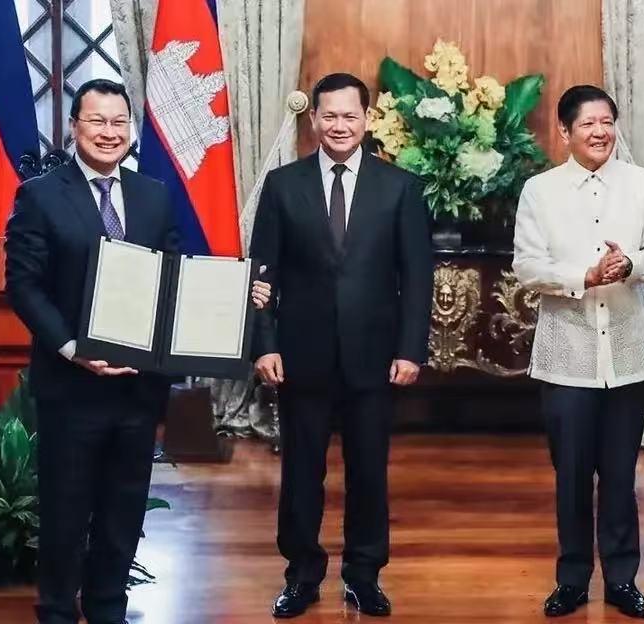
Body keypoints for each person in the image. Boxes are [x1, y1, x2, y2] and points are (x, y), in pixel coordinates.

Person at [250, 72, 433, 618]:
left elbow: (417, 278)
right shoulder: (283, 186)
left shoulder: (400, 187)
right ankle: (302, 576)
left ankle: (364, 575)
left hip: (374, 358)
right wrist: (264, 345)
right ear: (313, 120)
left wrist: (410, 349)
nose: (339, 125)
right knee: (301, 474)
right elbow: (261, 274)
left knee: (369, 472)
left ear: (367, 119)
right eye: (328, 115)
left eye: (350, 115)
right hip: (299, 356)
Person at [5, 79, 176, 624]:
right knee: (65, 510)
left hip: (138, 386)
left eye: (119, 121)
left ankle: (107, 608)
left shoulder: (153, 195)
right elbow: (24, 285)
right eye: (97, 120)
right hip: (71, 385)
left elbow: (171, 279)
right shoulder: (40, 195)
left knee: (123, 510)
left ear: (131, 129)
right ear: (74, 126)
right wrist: (72, 347)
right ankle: (57, 610)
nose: (109, 132)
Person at [512, 85, 644, 619]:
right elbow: (527, 266)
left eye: (607, 122)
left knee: (621, 474)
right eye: (588, 124)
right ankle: (572, 579)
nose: (600, 132)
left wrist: (632, 265)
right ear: (564, 132)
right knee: (573, 475)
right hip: (567, 357)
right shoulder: (540, 191)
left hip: (628, 354)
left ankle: (623, 579)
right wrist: (583, 276)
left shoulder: (642, 184)